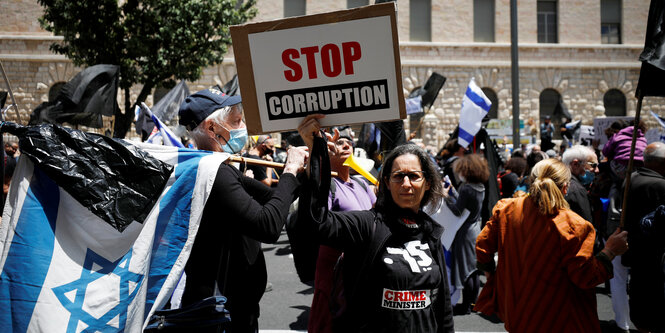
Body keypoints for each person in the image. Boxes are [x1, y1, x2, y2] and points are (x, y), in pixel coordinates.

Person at [298, 114, 454, 333]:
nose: (406, 184)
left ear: (427, 183)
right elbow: (317, 223)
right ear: (387, 184)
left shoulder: (431, 232)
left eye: (414, 176)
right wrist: (318, 156)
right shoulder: (367, 225)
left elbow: (443, 306)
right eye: (398, 176)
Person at [177, 88, 307, 333]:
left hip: (233, 308)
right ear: (211, 128)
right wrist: (289, 170)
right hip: (221, 314)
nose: (243, 126)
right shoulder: (214, 173)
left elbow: (274, 197)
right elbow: (267, 226)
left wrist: (307, 167)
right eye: (236, 121)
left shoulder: (218, 167)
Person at [474, 158, 629, 333]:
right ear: (565, 187)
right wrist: (609, 251)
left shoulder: (506, 209)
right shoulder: (574, 225)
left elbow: (482, 246)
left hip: (518, 313)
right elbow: (586, 277)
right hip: (560, 319)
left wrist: (492, 275)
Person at [308, 126, 376, 333]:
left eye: (349, 143)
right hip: (334, 270)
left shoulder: (363, 184)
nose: (346, 144)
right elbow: (319, 221)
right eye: (339, 143)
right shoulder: (327, 185)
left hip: (363, 266)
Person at [622, 142, 665, 333]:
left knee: (639, 297)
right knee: (653, 300)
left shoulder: (632, 177)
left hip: (636, 250)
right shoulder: (659, 185)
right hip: (654, 253)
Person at [443, 153, 488, 315]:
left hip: (465, 231)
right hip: (475, 227)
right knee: (473, 270)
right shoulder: (479, 186)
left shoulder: (467, 187)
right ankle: (473, 302)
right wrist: (454, 193)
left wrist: (445, 196)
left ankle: (466, 306)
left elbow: (457, 210)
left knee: (466, 271)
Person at [561, 145, 598, 223]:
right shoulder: (577, 190)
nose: (597, 170)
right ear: (575, 164)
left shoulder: (561, 182)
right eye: (593, 165)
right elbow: (586, 225)